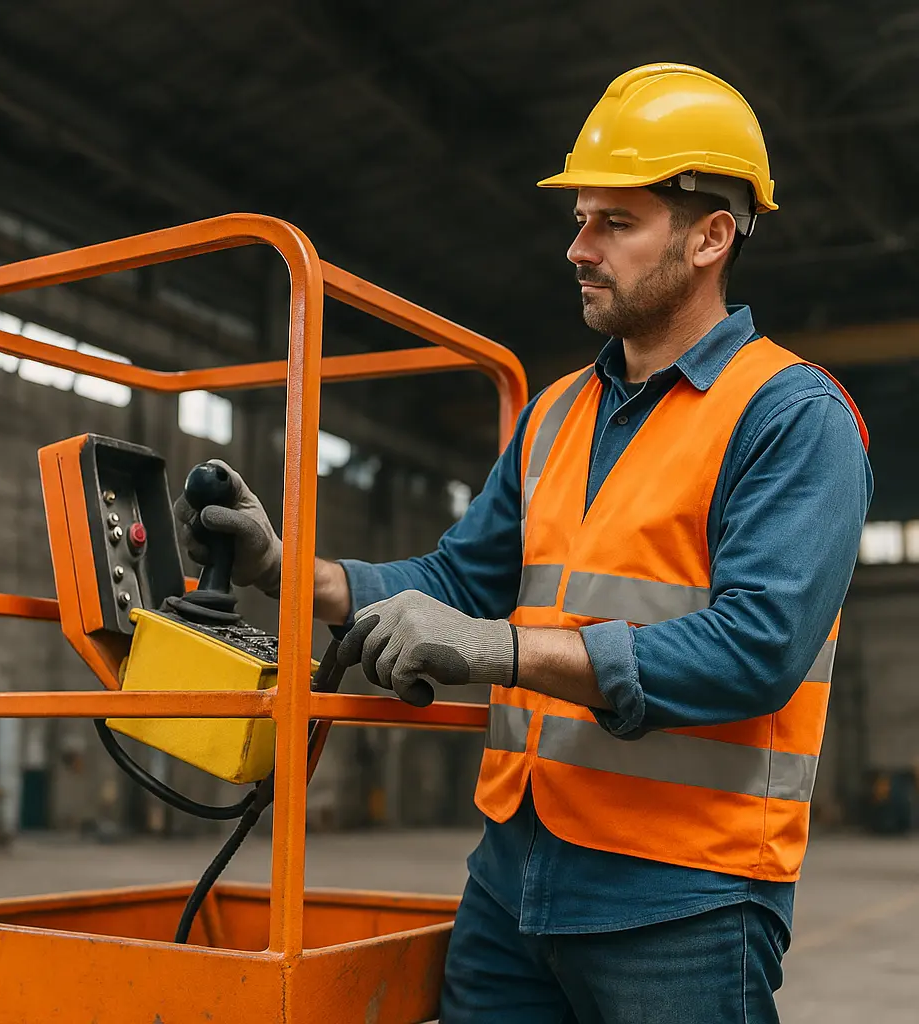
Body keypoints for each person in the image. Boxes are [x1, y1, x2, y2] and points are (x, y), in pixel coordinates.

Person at [175, 63, 872, 1024]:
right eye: (579, 220)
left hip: (684, 899)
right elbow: (458, 578)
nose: (579, 249)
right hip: (513, 878)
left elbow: (756, 648)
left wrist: (498, 647)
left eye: (615, 224)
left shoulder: (793, 418)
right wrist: (287, 570)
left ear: (713, 235)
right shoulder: (555, 415)